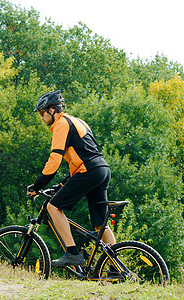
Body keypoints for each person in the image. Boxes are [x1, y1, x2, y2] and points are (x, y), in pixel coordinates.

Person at [27, 90, 115, 267]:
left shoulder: (61, 124)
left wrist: (37, 185)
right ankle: (114, 267)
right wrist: (60, 185)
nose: (42, 118)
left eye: (43, 113)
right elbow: (82, 157)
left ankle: (72, 253)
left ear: (52, 110)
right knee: (100, 224)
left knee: (53, 207)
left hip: (89, 171)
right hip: (102, 170)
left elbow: (55, 160)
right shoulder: (79, 121)